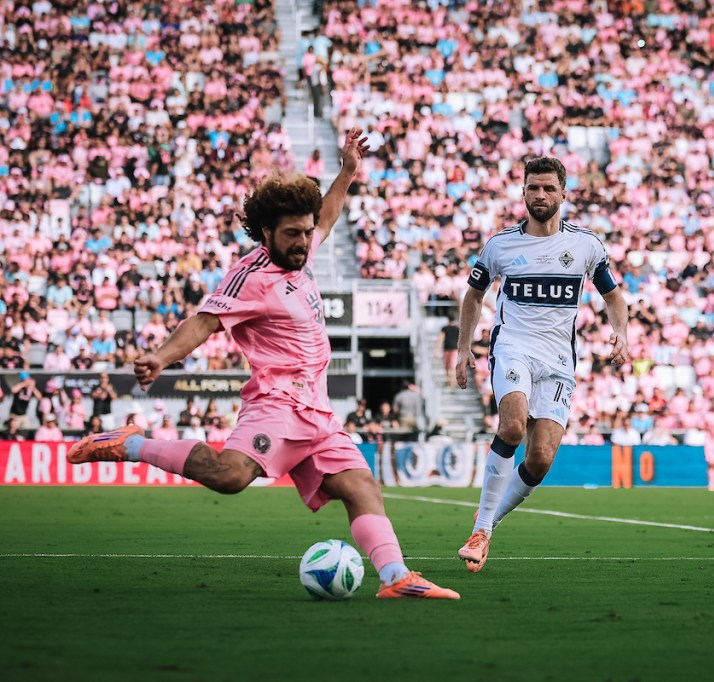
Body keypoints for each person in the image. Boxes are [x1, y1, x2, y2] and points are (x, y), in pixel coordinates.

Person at [69, 129, 458, 600]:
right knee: (229, 477)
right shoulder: (250, 276)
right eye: (291, 233)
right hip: (276, 403)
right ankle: (131, 445)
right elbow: (205, 321)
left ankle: (396, 579)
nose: (302, 241)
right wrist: (160, 357)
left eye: (306, 231)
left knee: (361, 486)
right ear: (266, 232)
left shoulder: (304, 246)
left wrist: (348, 172)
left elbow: (329, 213)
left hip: (317, 409)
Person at [454, 156, 629, 572]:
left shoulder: (586, 245)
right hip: (514, 346)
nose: (540, 195)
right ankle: (481, 530)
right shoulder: (500, 245)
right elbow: (474, 296)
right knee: (512, 426)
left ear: (564, 194)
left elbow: (613, 296)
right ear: (523, 193)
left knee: (541, 458)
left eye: (549, 188)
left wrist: (622, 331)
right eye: (533, 187)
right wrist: (464, 348)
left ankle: (485, 527)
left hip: (558, 360)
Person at [436, 313, 460, 386]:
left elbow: (440, 338)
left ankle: (450, 381)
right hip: (455, 349)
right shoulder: (457, 329)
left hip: (447, 349)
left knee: (447, 366)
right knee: (452, 367)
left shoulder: (445, 328)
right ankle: (452, 382)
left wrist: (437, 348)